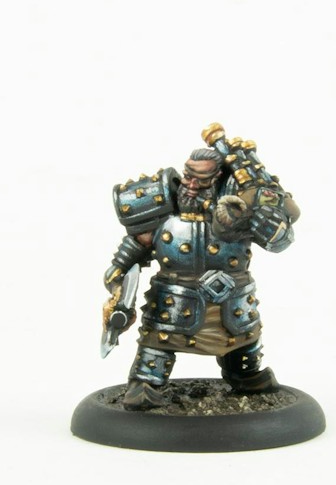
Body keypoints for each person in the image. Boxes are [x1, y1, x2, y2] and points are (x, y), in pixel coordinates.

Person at [102, 125, 300, 410]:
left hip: (233, 299)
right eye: (188, 177)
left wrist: (266, 219)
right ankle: (145, 383)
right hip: (174, 299)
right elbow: (138, 242)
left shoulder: (238, 208)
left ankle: (245, 376)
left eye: (201, 180)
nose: (192, 186)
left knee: (242, 342)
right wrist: (119, 271)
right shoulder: (162, 206)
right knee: (159, 344)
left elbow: (278, 241)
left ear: (218, 179)